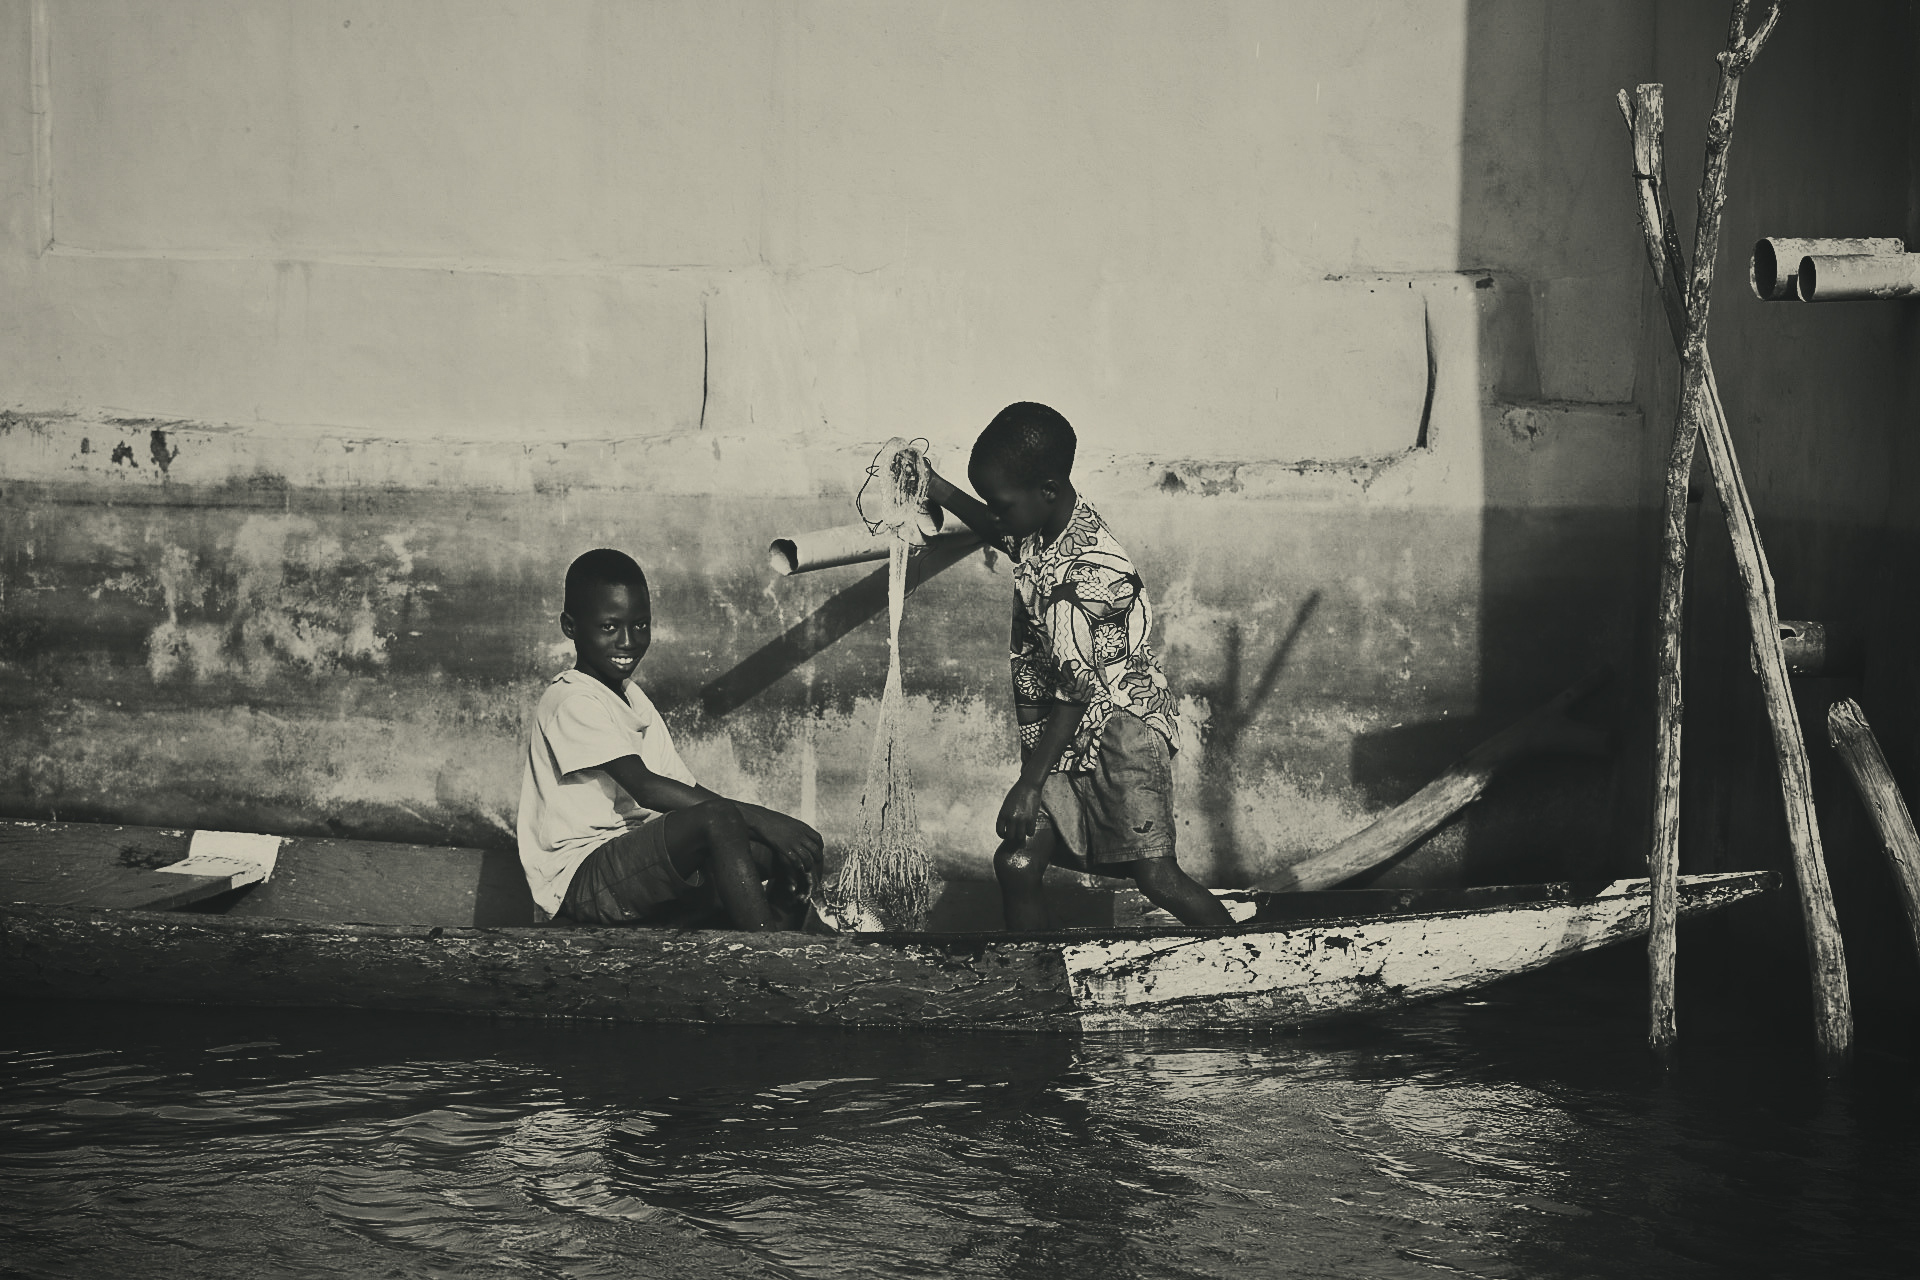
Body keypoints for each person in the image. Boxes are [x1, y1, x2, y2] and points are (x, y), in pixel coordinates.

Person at [923, 402, 1234, 930]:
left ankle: (1243, 955)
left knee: (1156, 876)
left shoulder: (1085, 581)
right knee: (1018, 863)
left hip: (1120, 735)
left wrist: (1029, 785)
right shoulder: (1045, 522)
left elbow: (1075, 692)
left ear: (1046, 490)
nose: (995, 515)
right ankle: (1032, 974)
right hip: (1064, 735)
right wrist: (935, 487)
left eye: (1001, 504)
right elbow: (1003, 530)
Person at [516, 548, 823, 930]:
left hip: (630, 864)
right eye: (609, 627)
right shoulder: (571, 698)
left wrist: (778, 831)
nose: (628, 641)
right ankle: (766, 948)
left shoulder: (630, 696)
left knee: (793, 852)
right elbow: (648, 788)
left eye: (640, 625)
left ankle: (784, 934)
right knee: (722, 820)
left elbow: (684, 787)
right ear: (570, 627)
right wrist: (764, 820)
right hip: (579, 878)